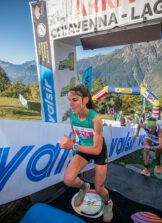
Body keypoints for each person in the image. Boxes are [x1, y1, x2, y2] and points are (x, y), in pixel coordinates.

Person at [59, 84, 113, 222]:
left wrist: (72, 145)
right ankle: (84, 187)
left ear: (85, 100)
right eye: (69, 99)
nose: (71, 104)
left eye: (75, 100)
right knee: (68, 179)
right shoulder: (72, 113)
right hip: (82, 147)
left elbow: (96, 149)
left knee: (100, 188)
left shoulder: (95, 119)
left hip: (98, 151)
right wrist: (72, 139)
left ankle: (108, 203)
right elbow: (75, 132)